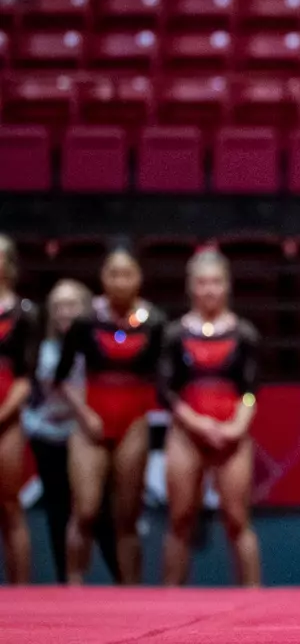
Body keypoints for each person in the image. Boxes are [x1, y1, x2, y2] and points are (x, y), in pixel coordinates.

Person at [55, 242, 167, 584]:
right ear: (103, 277)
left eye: (127, 274)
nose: (120, 281)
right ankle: (72, 585)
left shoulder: (156, 322)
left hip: (132, 421)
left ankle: (130, 591)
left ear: (139, 278)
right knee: (85, 510)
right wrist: (83, 413)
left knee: (127, 517)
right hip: (91, 419)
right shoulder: (86, 322)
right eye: (113, 273)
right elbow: (60, 378)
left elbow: (162, 379)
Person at [159, 246, 262, 586]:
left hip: (232, 433)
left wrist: (237, 426)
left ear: (227, 285)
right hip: (188, 432)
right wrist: (197, 423)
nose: (209, 290)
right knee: (180, 518)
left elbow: (250, 389)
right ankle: (170, 597)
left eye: (216, 282)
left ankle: (252, 597)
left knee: (237, 518)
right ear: (191, 286)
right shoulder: (174, 334)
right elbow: (166, 390)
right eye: (202, 283)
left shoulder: (244, 334)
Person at [24, 278, 118, 583]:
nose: (64, 312)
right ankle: (67, 581)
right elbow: (57, 385)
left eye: (71, 305)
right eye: (58, 306)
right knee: (58, 509)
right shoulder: (42, 349)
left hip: (88, 436)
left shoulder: (98, 341)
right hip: (49, 434)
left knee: (99, 511)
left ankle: (123, 578)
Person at [0, 234, 38, 584]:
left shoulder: (24, 314)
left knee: (10, 505)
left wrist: (4, 413)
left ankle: (20, 587)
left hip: (6, 417)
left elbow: (27, 375)